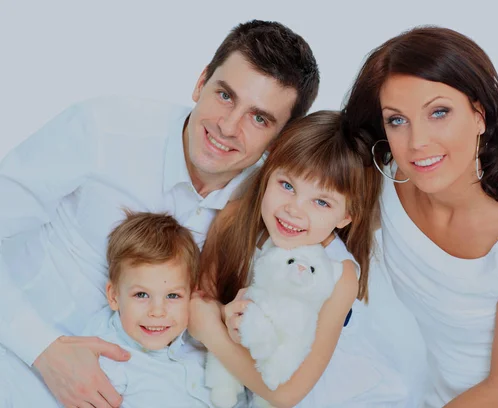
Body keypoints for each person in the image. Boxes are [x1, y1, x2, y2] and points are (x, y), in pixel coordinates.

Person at [0, 19, 319, 408]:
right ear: (201, 82)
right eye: (224, 95)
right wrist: (42, 349)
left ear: (282, 136)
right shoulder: (104, 128)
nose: (228, 126)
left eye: (259, 118)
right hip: (21, 363)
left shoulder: (279, 206)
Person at [344, 25, 498, 407]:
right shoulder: (385, 180)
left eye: (439, 112)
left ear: (479, 114)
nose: (417, 142)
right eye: (397, 120)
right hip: (443, 391)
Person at [188, 110, 409, 407]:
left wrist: (212, 331)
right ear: (269, 172)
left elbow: (286, 395)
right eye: (288, 186)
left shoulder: (339, 274)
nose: (294, 209)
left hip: (308, 388)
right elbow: (202, 304)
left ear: (346, 215)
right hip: (240, 376)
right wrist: (224, 316)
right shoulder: (234, 219)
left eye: (321, 201)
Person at [82, 211, 248, 407]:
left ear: (191, 294)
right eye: (141, 295)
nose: (157, 311)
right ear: (113, 296)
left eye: (172, 296)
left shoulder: (201, 338)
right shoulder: (105, 359)